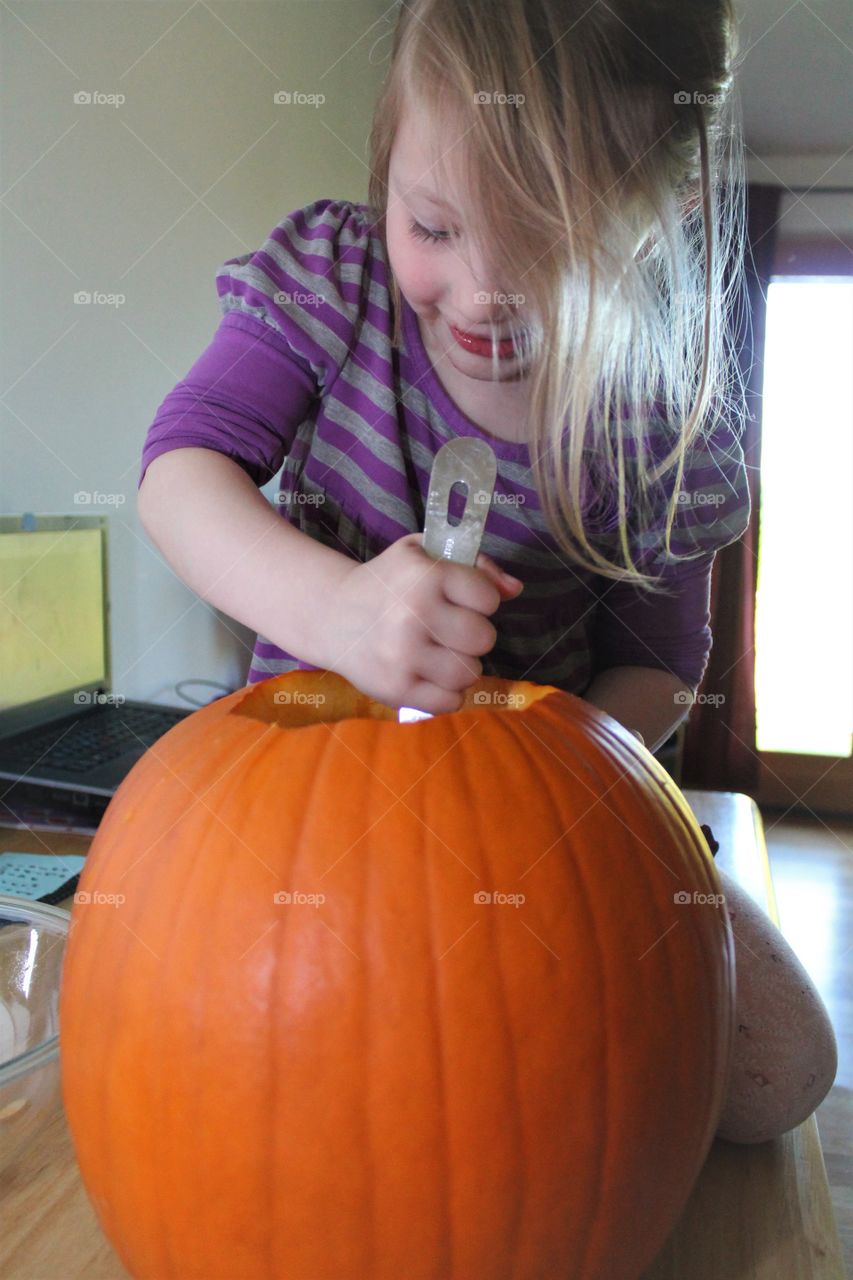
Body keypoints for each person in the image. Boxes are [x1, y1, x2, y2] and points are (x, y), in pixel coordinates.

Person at [137, 0, 837, 1148]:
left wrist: (546, 787)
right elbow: (181, 474)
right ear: (388, 162)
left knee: (779, 1070)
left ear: (668, 216)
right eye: (436, 226)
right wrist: (340, 612)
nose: (480, 301)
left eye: (555, 245)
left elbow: (663, 664)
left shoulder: (660, 425)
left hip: (544, 806)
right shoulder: (333, 279)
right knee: (214, 1037)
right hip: (302, 789)